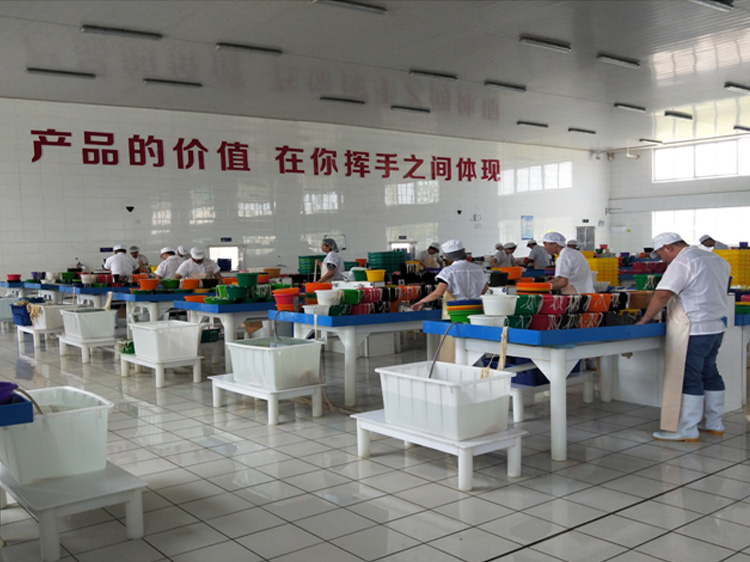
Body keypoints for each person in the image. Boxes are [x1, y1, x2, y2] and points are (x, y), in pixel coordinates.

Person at [637, 232, 731, 442]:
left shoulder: (683, 261)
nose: (663, 260)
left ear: (668, 247)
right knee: (710, 373)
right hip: (715, 327)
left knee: (689, 376)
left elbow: (663, 293)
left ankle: (688, 428)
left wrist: (645, 319)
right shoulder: (717, 259)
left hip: (693, 328)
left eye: (662, 254)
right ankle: (714, 423)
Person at [412, 239, 487, 310]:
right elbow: (485, 288)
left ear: (446, 256)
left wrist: (421, 302)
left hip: (457, 308)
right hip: (477, 306)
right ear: (464, 251)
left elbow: (438, 293)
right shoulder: (478, 269)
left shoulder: (448, 271)